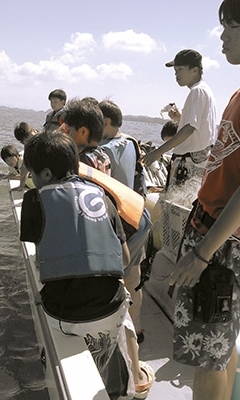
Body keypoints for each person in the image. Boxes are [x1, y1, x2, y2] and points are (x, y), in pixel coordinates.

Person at [20, 130, 153, 399]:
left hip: (62, 313)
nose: (32, 180)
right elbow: (124, 259)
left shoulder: (34, 200)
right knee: (122, 323)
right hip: (110, 307)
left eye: (32, 174)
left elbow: (41, 255)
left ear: (45, 173)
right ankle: (132, 383)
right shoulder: (103, 197)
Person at [169, 1, 240, 399]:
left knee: (205, 359)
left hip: (221, 249)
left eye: (234, 26)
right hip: (214, 236)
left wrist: (201, 254)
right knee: (221, 348)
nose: (222, 36)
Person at [63, 98, 154, 397]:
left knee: (118, 300)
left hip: (121, 232)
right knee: (133, 284)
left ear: (85, 131)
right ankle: (137, 347)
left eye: (69, 127)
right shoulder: (127, 145)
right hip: (138, 217)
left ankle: (133, 373)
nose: (64, 129)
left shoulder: (86, 159)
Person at [98, 99, 151, 343]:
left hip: (121, 225)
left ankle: (122, 340)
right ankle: (138, 329)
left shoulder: (102, 152)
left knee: (117, 285)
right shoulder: (131, 142)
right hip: (139, 217)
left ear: (106, 122)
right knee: (135, 279)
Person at [143, 49, 217, 191]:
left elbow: (189, 129)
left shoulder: (197, 91)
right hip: (200, 161)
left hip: (189, 164)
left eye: (180, 69)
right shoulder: (205, 90)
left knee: (176, 209)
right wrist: (180, 118)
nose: (176, 74)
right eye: (175, 70)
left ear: (195, 70)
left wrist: (158, 152)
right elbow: (200, 126)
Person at [12, 122, 39, 191]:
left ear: (34, 130)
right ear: (22, 142)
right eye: (27, 141)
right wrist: (21, 186)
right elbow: (24, 166)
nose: (31, 141)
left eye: (30, 137)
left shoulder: (47, 138)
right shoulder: (29, 146)